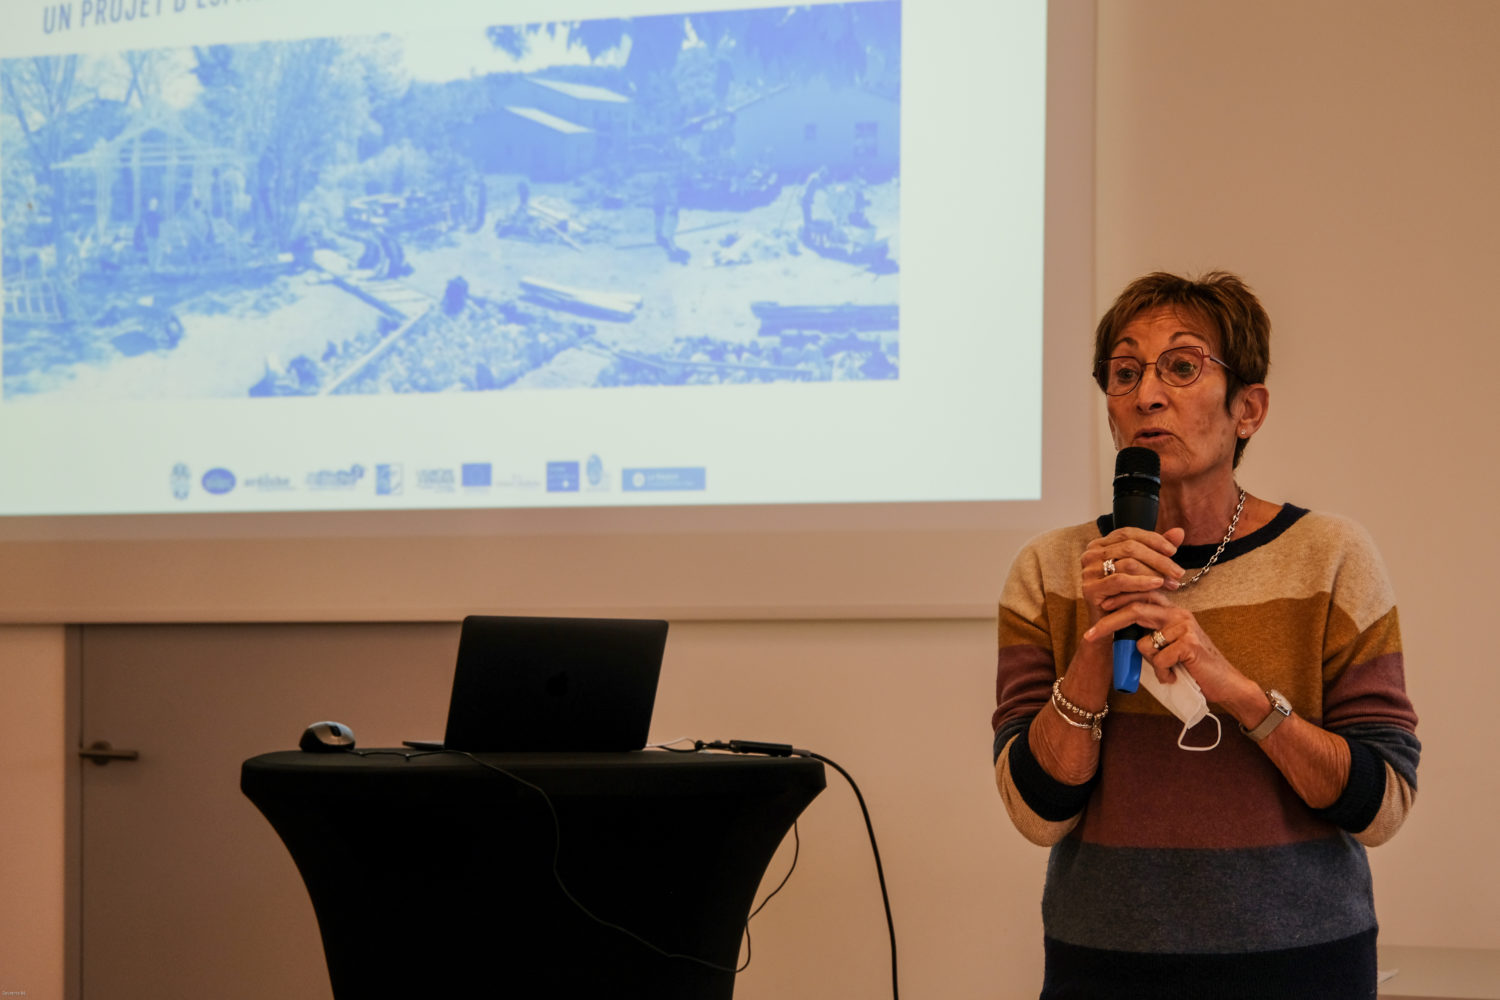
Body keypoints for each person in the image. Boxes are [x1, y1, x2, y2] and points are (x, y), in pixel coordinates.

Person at [991, 271, 1419, 998]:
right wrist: (1098, 640)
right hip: (1105, 968)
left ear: (1248, 409)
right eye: (1125, 373)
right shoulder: (1051, 570)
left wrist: (1237, 690)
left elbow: (1383, 806)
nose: (1147, 395)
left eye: (1182, 366)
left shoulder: (1331, 558)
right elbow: (1037, 815)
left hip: (1304, 966)